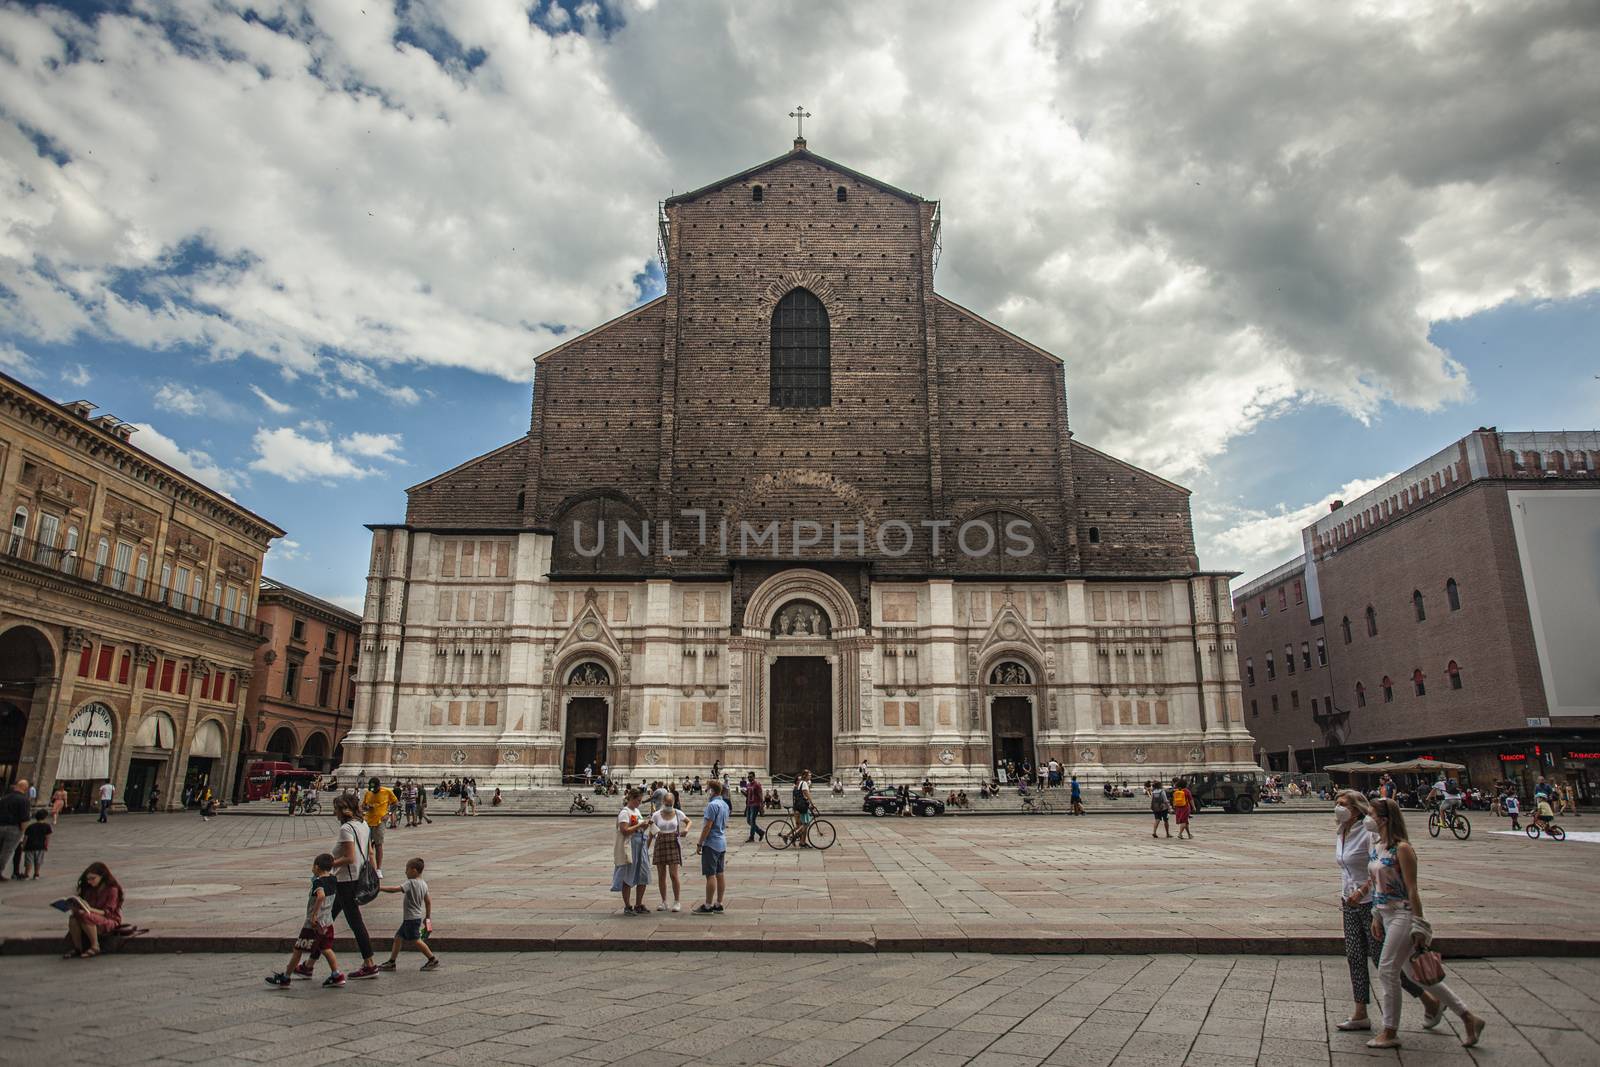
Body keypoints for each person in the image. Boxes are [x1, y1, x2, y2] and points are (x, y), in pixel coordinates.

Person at [1362, 798, 1486, 1049]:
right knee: (1415, 975)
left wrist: (1419, 925)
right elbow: (1377, 887)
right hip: (1385, 914)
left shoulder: (1403, 849)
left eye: (1372, 814)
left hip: (1403, 915)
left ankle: (1390, 1030)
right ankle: (1468, 1017)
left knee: (1387, 970)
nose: (1368, 818)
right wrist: (1376, 915)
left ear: (1384, 819)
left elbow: (1412, 890)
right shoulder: (1376, 847)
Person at [1331, 790, 1439, 1033]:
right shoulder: (1341, 832)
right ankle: (1360, 1013)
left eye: (1343, 804)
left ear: (1357, 808)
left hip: (1372, 903)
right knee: (1355, 956)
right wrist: (1350, 894)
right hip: (1349, 901)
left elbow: (1376, 865)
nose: (1338, 808)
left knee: (1384, 962)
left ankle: (1429, 1001)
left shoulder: (1369, 833)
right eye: (1337, 803)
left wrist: (1362, 891)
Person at [265, 853, 345, 987]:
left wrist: (314, 915)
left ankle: (286, 977)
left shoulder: (318, 882)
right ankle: (337, 975)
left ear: (317, 867)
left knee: (298, 949)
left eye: (313, 866)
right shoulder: (333, 879)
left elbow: (320, 896)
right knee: (326, 948)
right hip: (327, 922)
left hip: (312, 925)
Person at [328, 795, 381, 979]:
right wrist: (375, 875)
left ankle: (369, 963)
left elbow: (349, 857)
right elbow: (370, 852)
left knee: (353, 923)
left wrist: (328, 865)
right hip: (355, 878)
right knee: (326, 919)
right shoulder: (364, 824)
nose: (333, 812)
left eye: (336, 809)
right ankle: (309, 962)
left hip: (347, 881)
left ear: (343, 810)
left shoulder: (346, 828)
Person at [377, 857, 440, 970]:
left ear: (414, 870)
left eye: (407, 869)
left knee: (416, 940)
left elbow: (394, 889)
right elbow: (428, 902)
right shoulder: (424, 884)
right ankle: (391, 962)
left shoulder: (411, 883)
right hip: (416, 917)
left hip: (411, 918)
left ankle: (432, 959)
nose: (405, 872)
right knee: (398, 937)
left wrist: (380, 888)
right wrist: (427, 917)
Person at [63, 861, 124, 959]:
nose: (90, 881)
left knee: (86, 916)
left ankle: (95, 946)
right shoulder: (89, 889)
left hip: (110, 919)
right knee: (74, 918)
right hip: (92, 916)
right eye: (88, 879)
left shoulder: (112, 889)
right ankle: (78, 948)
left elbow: (108, 912)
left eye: (93, 878)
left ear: (102, 876)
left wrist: (90, 910)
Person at [612, 786, 651, 914]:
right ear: (632, 798)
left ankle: (638, 904)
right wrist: (640, 825)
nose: (639, 803)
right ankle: (627, 905)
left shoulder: (637, 811)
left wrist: (645, 826)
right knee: (629, 875)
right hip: (630, 846)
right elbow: (624, 831)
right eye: (638, 801)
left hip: (641, 844)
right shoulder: (625, 812)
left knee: (643, 874)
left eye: (640, 801)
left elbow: (638, 828)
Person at [694, 780, 729, 914]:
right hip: (721, 842)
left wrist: (700, 843)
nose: (707, 791)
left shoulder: (712, 805)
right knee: (720, 874)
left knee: (710, 875)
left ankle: (708, 905)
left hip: (712, 843)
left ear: (712, 790)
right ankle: (719, 903)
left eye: (707, 789)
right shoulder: (725, 805)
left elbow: (707, 826)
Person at [650, 790, 688, 912]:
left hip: (673, 843)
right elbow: (651, 830)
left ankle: (677, 901)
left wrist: (686, 829)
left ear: (674, 802)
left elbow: (689, 821)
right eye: (667, 803)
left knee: (673, 874)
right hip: (660, 843)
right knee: (661, 875)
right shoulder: (656, 815)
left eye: (671, 804)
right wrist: (646, 847)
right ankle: (664, 901)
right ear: (663, 802)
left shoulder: (678, 813)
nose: (668, 806)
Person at [361, 777, 398, 879]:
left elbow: (395, 803)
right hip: (367, 821)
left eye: (374, 788)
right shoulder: (368, 793)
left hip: (380, 821)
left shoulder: (387, 791)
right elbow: (363, 805)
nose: (373, 791)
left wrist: (389, 813)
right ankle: (368, 867)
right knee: (367, 846)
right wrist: (366, 807)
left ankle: (378, 869)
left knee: (378, 844)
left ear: (378, 786)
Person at [0, 779, 28, 882]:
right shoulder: (23, 800)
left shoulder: (4, 798)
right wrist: (22, 832)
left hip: (1, 825)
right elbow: (24, 818)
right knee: (6, 851)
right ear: (25, 788)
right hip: (14, 828)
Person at [22, 809, 51, 879]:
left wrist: (23, 846)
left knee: (29, 861)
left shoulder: (30, 826)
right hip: (40, 846)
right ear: (45, 817)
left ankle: (26, 874)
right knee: (38, 860)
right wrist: (46, 845)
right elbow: (47, 837)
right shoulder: (47, 826)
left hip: (30, 846)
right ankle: (36, 874)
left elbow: (25, 837)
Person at [744, 775, 765, 842]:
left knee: (752, 820)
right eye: (748, 777)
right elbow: (747, 795)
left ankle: (751, 837)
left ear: (754, 777)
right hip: (749, 804)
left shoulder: (757, 785)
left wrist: (762, 805)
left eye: (751, 777)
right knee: (749, 821)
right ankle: (760, 832)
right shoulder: (747, 785)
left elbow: (760, 794)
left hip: (755, 804)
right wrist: (743, 792)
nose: (749, 778)